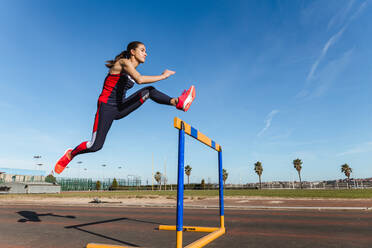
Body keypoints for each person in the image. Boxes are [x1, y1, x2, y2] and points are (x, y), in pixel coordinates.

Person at [54, 41, 195, 174]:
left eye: (146, 51)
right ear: (132, 52)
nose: (146, 54)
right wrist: (163, 76)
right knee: (95, 146)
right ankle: (70, 154)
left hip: (121, 108)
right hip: (106, 107)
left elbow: (138, 79)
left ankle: (178, 102)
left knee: (149, 91)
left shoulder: (133, 69)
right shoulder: (123, 62)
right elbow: (140, 79)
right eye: (142, 50)